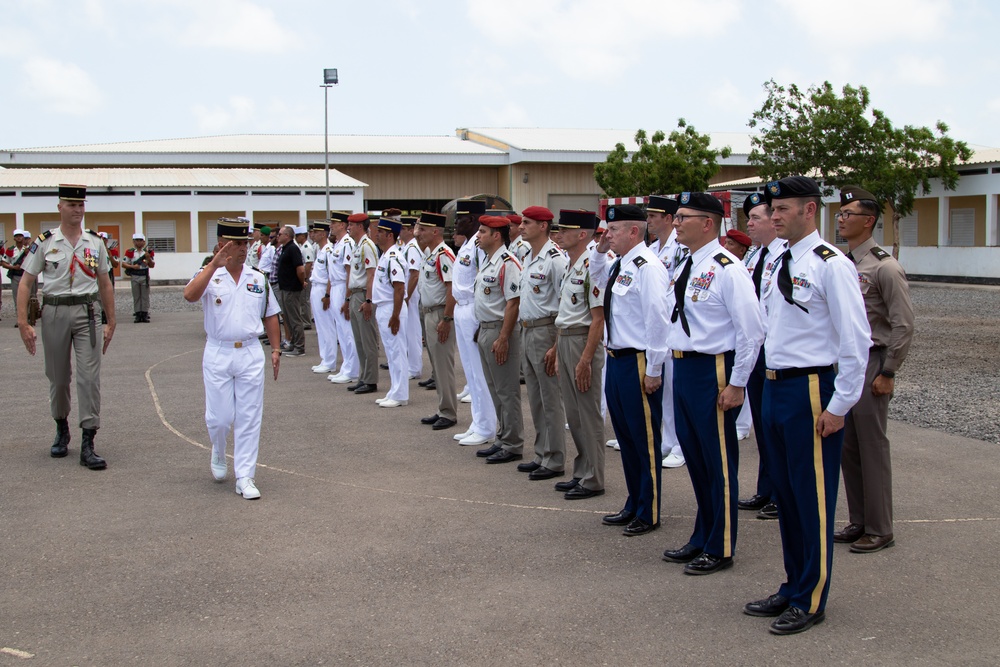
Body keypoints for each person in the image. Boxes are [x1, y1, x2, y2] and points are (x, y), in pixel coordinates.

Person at [743, 176, 870, 635]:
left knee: (812, 499)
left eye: (783, 208)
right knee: (788, 496)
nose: (774, 215)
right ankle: (794, 583)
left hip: (812, 388)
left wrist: (839, 406)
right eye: (772, 209)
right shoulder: (779, 257)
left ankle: (811, 598)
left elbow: (856, 341)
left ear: (810, 209)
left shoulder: (830, 264)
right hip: (775, 387)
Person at [661, 192, 764, 575]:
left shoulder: (727, 268)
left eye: (683, 217)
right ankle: (702, 534)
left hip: (714, 370)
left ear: (707, 223)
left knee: (718, 462)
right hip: (685, 367)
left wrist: (737, 384)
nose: (675, 223)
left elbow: (751, 332)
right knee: (697, 459)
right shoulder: (689, 262)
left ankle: (720, 546)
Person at [834, 185, 915, 553]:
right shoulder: (844, 263)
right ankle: (859, 520)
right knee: (849, 446)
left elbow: (903, 324)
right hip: (847, 361)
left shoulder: (884, 266)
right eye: (840, 213)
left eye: (848, 214)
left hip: (872, 360)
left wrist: (889, 371)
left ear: (868, 221)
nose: (840, 218)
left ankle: (881, 527)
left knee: (871, 445)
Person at [17, 184, 116, 470]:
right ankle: (62, 428)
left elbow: (105, 283)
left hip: (86, 312)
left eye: (81, 205)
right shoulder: (46, 242)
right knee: (58, 377)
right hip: (55, 312)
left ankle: (88, 441)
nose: (77, 210)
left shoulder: (94, 242)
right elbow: (26, 282)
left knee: (89, 378)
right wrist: (23, 323)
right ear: (59, 207)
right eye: (71, 205)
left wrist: (111, 320)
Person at [183, 217, 281, 500]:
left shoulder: (257, 277)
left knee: (249, 417)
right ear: (221, 245)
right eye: (236, 244)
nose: (242, 249)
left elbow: (271, 314)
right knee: (221, 418)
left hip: (250, 351)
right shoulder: (209, 274)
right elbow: (189, 295)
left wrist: (275, 349)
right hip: (218, 352)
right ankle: (218, 446)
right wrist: (214, 264)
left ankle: (245, 476)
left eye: (245, 243)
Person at [589, 204, 670, 536]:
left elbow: (657, 319)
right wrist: (601, 250)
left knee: (644, 439)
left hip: (638, 360)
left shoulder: (648, 266)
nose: (608, 234)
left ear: (634, 231)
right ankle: (633, 500)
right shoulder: (621, 263)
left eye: (615, 230)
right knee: (625, 436)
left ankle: (648, 510)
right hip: (617, 358)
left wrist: (653, 368)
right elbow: (595, 278)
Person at [550, 209, 607, 499]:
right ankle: (582, 470)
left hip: (583, 342)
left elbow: (597, 318)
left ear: (583, 234)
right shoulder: (571, 264)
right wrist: (560, 352)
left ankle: (595, 477)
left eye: (566, 229)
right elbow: (565, 313)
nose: (558, 233)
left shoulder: (592, 266)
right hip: (566, 340)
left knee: (587, 413)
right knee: (573, 413)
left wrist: (585, 359)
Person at [737, 193, 787, 521]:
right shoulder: (755, 256)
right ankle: (765, 488)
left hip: (776, 352)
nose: (750, 224)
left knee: (778, 428)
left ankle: (782, 495)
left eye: (755, 218)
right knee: (762, 424)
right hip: (756, 351)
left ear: (773, 220)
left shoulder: (786, 255)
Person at [516, 205, 568, 479]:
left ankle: (555, 458)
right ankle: (542, 453)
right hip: (527, 329)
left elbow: (563, 305)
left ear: (543, 226)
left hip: (546, 330)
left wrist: (556, 346)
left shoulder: (555, 259)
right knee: (535, 397)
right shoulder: (528, 255)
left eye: (527, 223)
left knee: (550, 398)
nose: (521, 227)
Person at [473, 214, 524, 464]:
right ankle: (503, 438)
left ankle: (513, 443)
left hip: (500, 330)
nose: (478, 236)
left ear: (496, 235)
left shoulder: (508, 262)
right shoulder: (488, 260)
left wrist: (503, 337)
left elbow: (513, 303)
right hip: (486, 328)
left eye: (482, 232)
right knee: (495, 388)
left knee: (506, 389)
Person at [450, 200, 497, 446]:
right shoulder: (467, 246)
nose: (456, 224)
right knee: (470, 371)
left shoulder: (479, 247)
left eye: (459, 219)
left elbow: (482, 284)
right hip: (461, 309)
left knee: (479, 373)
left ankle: (487, 426)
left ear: (471, 220)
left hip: (472, 310)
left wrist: (480, 318)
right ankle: (477, 421)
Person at [645, 195, 687, 470]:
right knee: (665, 390)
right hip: (661, 327)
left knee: (675, 390)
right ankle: (667, 440)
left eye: (653, 216)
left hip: (675, 325)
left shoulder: (680, 247)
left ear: (668, 219)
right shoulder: (653, 247)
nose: (648, 220)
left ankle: (679, 445)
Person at [415, 211, 459, 430]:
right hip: (429, 312)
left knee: (443, 365)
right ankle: (443, 407)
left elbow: (452, 288)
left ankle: (449, 413)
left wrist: (447, 318)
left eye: (422, 229)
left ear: (435, 231)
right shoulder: (429, 252)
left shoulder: (443, 254)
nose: (418, 233)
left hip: (440, 313)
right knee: (436, 364)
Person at [371, 218, 409, 408]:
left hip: (392, 308)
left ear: (390, 235)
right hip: (385, 307)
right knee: (391, 352)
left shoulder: (394, 257)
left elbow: (399, 288)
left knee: (397, 352)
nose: (377, 234)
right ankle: (394, 389)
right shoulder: (386, 255)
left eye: (380, 232)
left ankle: (401, 394)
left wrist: (395, 315)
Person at [345, 213, 380, 394]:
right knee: (359, 340)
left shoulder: (368, 246)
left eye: (351, 225)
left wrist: (368, 300)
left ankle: (371, 380)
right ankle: (363, 376)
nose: (348, 228)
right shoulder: (357, 246)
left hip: (363, 296)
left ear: (360, 226)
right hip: (355, 294)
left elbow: (371, 274)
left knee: (368, 340)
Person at [326, 212, 359, 384]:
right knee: (341, 330)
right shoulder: (338, 244)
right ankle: (346, 366)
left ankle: (352, 370)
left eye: (334, 222)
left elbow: (349, 273)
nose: (331, 225)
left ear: (342, 225)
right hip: (336, 287)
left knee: (347, 332)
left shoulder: (347, 243)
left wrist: (347, 298)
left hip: (342, 288)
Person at [308, 220, 338, 374]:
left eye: (317, 232)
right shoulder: (319, 250)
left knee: (327, 326)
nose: (313, 234)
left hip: (322, 290)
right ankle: (324, 358)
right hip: (316, 288)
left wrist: (327, 295)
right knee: (320, 326)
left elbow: (330, 276)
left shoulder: (328, 251)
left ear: (324, 234)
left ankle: (330, 360)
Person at [399, 216, 425, 380]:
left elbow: (414, 275)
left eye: (402, 228)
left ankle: (415, 367)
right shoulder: (406, 247)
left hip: (411, 293)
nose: (399, 231)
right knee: (408, 330)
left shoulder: (413, 248)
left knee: (412, 330)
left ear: (409, 230)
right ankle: (411, 364)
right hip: (407, 292)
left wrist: (406, 297)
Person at [275, 225, 306, 357]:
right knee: (287, 318)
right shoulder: (285, 248)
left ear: (287, 236)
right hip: (285, 288)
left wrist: (301, 282)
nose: (278, 236)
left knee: (294, 319)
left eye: (280, 234)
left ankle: (300, 347)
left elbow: (301, 270)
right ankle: (293, 343)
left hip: (291, 289)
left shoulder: (293, 249)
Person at [2, 229, 36, 325]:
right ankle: (20, 319)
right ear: (14, 238)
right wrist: (13, 267)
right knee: (17, 298)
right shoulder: (11, 250)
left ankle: (29, 317)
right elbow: (3, 263)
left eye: (20, 236)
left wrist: (28, 253)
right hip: (16, 275)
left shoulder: (30, 249)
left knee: (29, 297)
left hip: (27, 275)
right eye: (17, 236)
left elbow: (37, 260)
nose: (19, 238)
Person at [123, 233, 155, 323]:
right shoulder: (130, 252)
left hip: (144, 274)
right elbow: (123, 263)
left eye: (141, 240)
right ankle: (137, 314)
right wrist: (133, 267)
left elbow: (152, 265)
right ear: (133, 242)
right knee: (136, 296)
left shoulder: (147, 252)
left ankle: (144, 314)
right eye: (137, 240)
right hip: (135, 275)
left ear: (144, 242)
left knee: (145, 296)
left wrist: (149, 259)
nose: (139, 242)